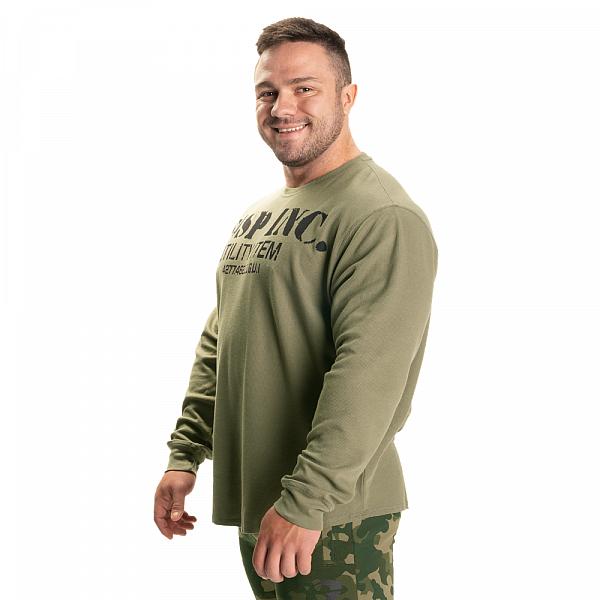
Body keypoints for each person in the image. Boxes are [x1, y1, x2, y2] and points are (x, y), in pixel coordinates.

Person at [153, 16, 438, 599]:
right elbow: (222, 338)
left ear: (347, 96)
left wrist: (307, 500)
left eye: (305, 87)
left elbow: (370, 374)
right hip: (265, 505)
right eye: (268, 91)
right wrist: (186, 452)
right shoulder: (259, 215)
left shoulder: (381, 215)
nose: (283, 107)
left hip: (331, 514)